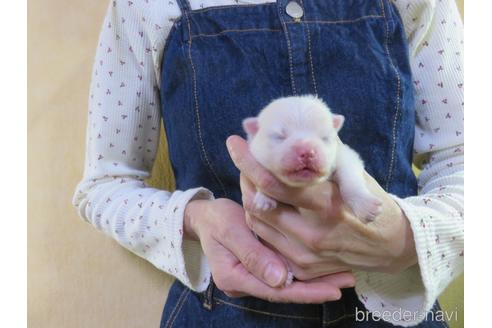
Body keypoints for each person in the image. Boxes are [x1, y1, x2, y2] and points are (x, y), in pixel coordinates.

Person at [72, 0, 464, 326]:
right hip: (222, 312)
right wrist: (197, 218)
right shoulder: (143, 6)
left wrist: (410, 239)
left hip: (394, 310)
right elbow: (105, 185)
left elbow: (467, 160)